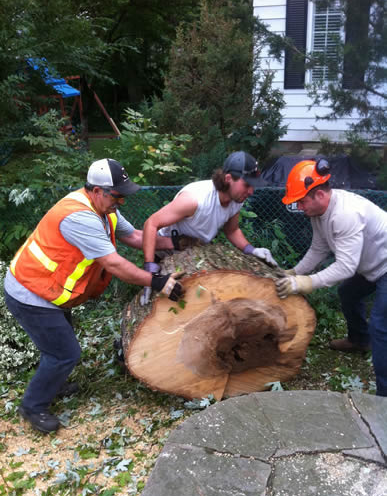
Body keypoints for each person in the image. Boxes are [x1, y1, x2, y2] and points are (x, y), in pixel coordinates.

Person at [4, 158, 184, 433]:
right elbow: (113, 264)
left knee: (56, 345)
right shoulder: (80, 217)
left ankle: (52, 382)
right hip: (31, 293)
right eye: (117, 196)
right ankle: (33, 406)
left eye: (123, 196)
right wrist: (157, 281)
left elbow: (135, 237)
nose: (121, 202)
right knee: (65, 353)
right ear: (97, 190)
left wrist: (174, 243)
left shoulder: (104, 210)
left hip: (47, 290)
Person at [275, 159, 387, 397]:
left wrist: (306, 283)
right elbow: (318, 249)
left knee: (380, 325)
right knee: (348, 293)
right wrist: (295, 272)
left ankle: (384, 397)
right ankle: (359, 340)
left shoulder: (345, 214)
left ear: (318, 194)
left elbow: (346, 267)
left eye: (302, 201)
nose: (300, 207)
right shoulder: (319, 214)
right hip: (373, 266)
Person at [141, 151, 277, 302]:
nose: (251, 191)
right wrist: (150, 271)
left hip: (193, 255)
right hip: (164, 257)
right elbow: (151, 223)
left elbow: (232, 231)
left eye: (253, 186)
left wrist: (252, 250)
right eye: (247, 185)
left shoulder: (236, 200)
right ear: (228, 178)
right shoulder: (195, 200)